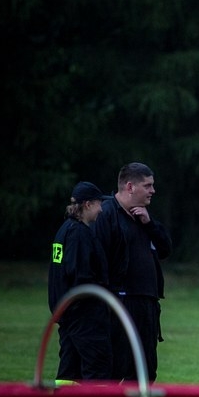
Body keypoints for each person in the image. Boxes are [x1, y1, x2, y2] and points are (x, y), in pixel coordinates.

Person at [94, 162, 172, 382]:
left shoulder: (142, 217)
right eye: (147, 185)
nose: (152, 190)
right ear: (130, 186)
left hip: (147, 304)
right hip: (120, 303)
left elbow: (166, 249)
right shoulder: (106, 214)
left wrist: (150, 224)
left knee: (145, 372)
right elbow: (99, 261)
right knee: (116, 368)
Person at [48, 181, 113, 382]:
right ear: (87, 204)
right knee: (98, 367)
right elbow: (81, 277)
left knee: (69, 370)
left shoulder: (64, 230)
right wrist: (101, 294)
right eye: (99, 204)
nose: (101, 209)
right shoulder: (79, 234)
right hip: (84, 316)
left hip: (66, 313)